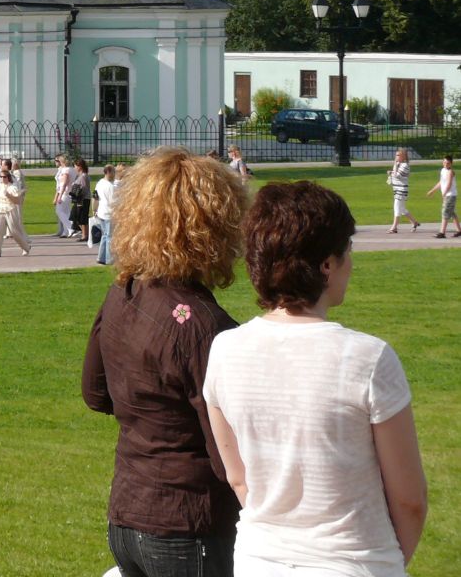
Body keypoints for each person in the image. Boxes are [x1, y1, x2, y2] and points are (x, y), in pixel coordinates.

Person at [204, 180, 427, 576]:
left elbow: (239, 480)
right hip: (353, 562)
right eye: (348, 252)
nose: (351, 264)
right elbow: (410, 499)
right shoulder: (368, 358)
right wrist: (384, 562)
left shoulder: (225, 349)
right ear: (327, 264)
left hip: (260, 560)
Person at [83, 147, 249, 577]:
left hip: (127, 515)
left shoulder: (124, 291)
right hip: (187, 525)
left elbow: (95, 392)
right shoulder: (206, 326)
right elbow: (226, 456)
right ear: (213, 227)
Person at [0, 160, 33, 258]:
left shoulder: (12, 187)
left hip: (10, 210)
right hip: (1, 210)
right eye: (1, 177)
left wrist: (9, 195)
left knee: (14, 231)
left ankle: (26, 247)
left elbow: (17, 201)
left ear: (8, 177)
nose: (2, 178)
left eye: (4, 177)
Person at [387, 148, 420, 233]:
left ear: (403, 156)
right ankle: (414, 222)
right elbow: (395, 174)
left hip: (402, 189)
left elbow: (397, 175)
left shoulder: (405, 165)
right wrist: (393, 170)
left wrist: (391, 172)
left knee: (396, 207)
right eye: (396, 155)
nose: (396, 157)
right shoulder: (398, 164)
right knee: (402, 209)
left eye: (398, 155)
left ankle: (394, 227)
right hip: (396, 188)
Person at [425, 155, 456, 238]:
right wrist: (432, 191)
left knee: (445, 212)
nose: (446, 164)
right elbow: (441, 182)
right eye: (444, 162)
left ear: (451, 164)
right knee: (452, 213)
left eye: (448, 163)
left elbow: (449, 183)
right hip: (447, 195)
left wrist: (444, 193)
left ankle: (442, 233)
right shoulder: (443, 170)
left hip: (450, 195)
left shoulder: (450, 172)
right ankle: (459, 230)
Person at [94, 165, 119, 265]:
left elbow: (95, 197)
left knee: (104, 236)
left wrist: (94, 209)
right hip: (109, 213)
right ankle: (109, 259)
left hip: (101, 212)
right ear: (108, 172)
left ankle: (101, 257)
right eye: (113, 172)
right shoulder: (110, 186)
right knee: (109, 237)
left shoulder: (100, 183)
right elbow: (114, 202)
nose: (114, 174)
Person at [53, 154, 76, 237]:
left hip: (65, 193)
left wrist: (60, 195)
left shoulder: (65, 170)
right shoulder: (72, 169)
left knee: (59, 211)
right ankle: (66, 231)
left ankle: (71, 228)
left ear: (62, 162)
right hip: (69, 192)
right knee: (66, 212)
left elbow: (64, 184)